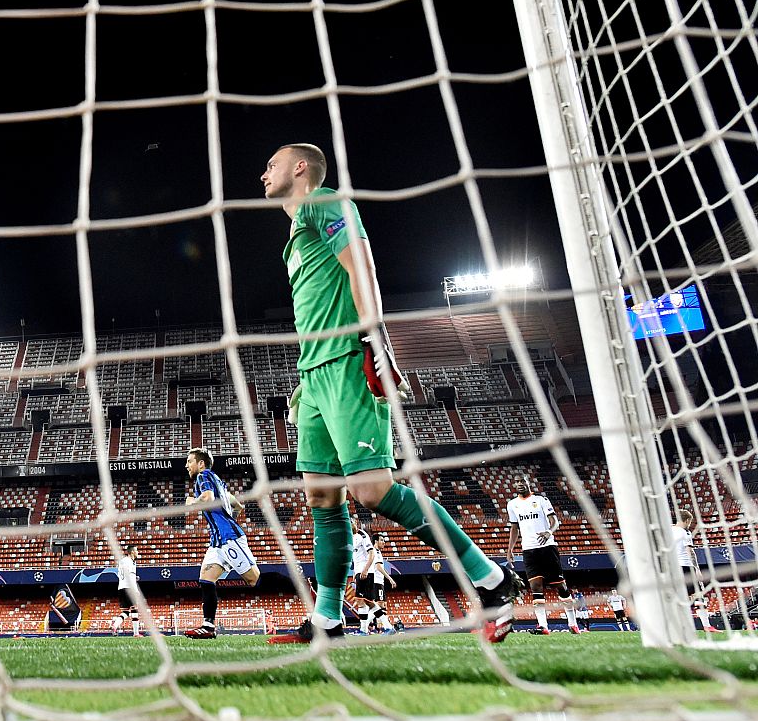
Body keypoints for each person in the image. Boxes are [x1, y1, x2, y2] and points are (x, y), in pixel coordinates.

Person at [261, 143, 520, 644]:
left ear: (300, 168)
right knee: (322, 495)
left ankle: (490, 578)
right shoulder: (296, 233)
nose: (263, 173)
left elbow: (361, 265)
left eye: (273, 164)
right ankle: (328, 619)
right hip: (313, 375)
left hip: (346, 363)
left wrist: (374, 335)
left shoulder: (324, 202)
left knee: (371, 490)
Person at [182, 448, 261, 639]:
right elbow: (237, 505)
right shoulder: (219, 482)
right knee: (206, 578)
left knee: (253, 579)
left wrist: (192, 502)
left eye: (190, 461)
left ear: (201, 464)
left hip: (228, 538)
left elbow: (208, 498)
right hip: (217, 540)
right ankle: (208, 626)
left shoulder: (203, 476)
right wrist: (228, 520)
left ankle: (303, 587)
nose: (186, 465)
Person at [506, 475, 579, 634]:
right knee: (535, 587)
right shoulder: (512, 504)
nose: (520, 484)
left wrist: (548, 532)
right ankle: (543, 626)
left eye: (522, 481)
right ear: (514, 485)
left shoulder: (541, 500)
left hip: (547, 547)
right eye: (517, 482)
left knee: (560, 586)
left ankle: (573, 624)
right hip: (528, 550)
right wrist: (510, 549)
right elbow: (514, 528)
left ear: (528, 483)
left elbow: (555, 522)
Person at [673, 508, 716, 632]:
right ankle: (706, 626)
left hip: (673, 568)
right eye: (690, 522)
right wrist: (697, 568)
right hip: (686, 567)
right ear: (687, 520)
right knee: (698, 596)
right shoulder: (685, 533)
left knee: (679, 597)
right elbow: (690, 551)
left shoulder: (669, 530)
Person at [110, 546, 142, 636]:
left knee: (126, 612)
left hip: (121, 588)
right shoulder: (129, 561)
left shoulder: (123, 561)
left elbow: (122, 574)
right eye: (136, 550)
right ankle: (136, 633)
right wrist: (136, 590)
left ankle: (115, 625)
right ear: (132, 552)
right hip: (129, 588)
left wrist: (134, 577)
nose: (138, 552)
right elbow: (129, 575)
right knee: (135, 610)